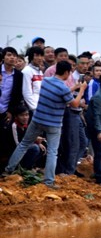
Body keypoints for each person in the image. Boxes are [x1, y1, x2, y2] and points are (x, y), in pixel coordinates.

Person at [2, 61, 87, 189]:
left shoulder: (46, 81)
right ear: (66, 72)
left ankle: (8, 170)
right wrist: (81, 90)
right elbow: (74, 104)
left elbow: (58, 93)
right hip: (53, 125)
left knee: (24, 144)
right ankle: (48, 182)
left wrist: (73, 88)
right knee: (53, 152)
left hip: (37, 119)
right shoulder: (63, 88)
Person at [21, 46, 45, 115]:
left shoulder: (39, 71)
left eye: (41, 55)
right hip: (33, 109)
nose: (40, 58)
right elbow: (26, 92)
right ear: (31, 57)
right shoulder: (27, 71)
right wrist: (34, 108)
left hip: (41, 107)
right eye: (37, 55)